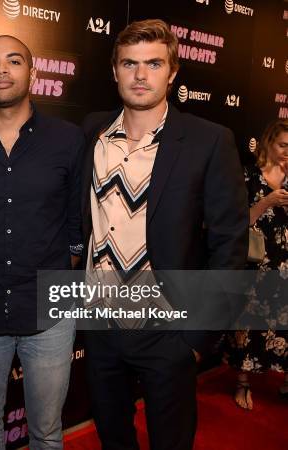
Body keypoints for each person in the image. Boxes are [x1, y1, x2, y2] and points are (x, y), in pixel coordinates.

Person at [79, 19, 248, 450]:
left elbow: (229, 244)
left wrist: (197, 338)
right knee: (112, 436)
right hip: (100, 324)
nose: (140, 75)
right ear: (114, 70)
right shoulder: (89, 133)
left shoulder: (209, 140)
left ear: (172, 72)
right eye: (129, 63)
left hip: (168, 328)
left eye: (153, 63)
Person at [0, 35, 85, 450]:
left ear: (33, 72)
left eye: (13, 61)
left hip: (50, 312)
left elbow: (78, 222)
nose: (1, 70)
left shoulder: (68, 139)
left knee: (46, 432)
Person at [225, 118, 288, 410]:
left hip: (286, 263)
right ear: (268, 144)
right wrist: (268, 202)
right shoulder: (250, 175)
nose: (287, 152)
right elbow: (239, 222)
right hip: (257, 264)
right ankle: (243, 384)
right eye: (282, 145)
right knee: (248, 325)